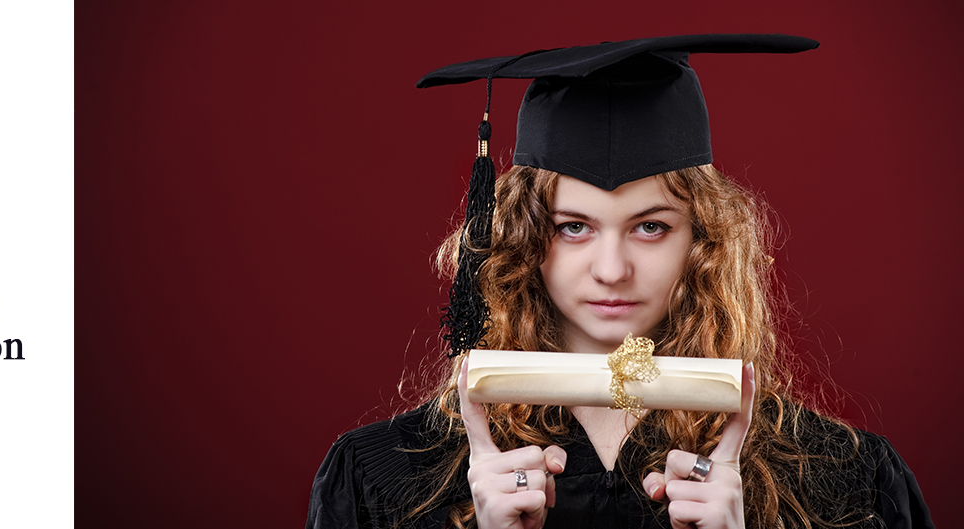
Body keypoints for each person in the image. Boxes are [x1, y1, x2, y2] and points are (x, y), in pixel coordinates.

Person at [307, 35, 933, 529]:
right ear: (524, 239)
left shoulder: (843, 480)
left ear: (703, 240)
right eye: (574, 227)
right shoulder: (387, 477)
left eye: (651, 228)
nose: (612, 269)